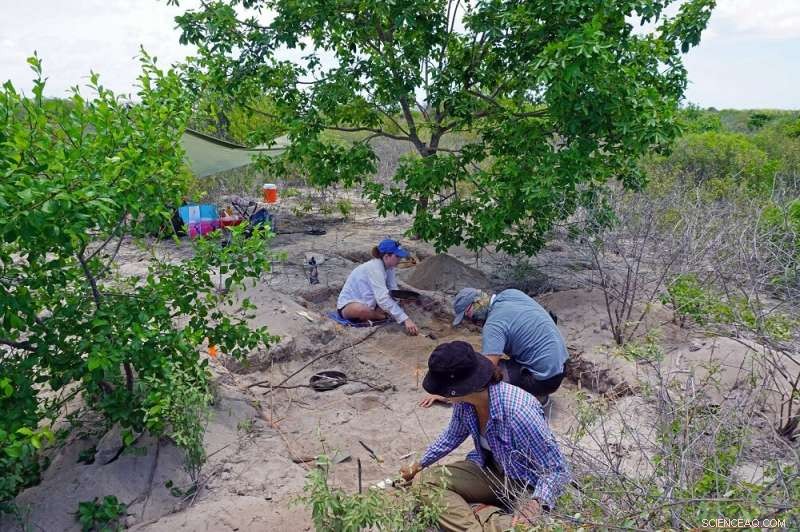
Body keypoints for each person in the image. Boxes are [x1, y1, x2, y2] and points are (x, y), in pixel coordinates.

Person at [401, 341, 570, 531]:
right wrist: (419, 464)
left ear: (460, 388)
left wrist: (537, 503)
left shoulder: (518, 412)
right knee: (424, 482)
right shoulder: (465, 403)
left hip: (521, 481)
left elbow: (557, 469)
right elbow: (451, 436)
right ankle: (479, 524)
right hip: (489, 467)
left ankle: (481, 522)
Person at [422, 288, 567, 408]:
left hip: (543, 381)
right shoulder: (511, 294)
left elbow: (484, 373)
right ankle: (536, 389)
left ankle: (533, 396)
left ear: (476, 303)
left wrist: (447, 392)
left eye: (468, 315)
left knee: (484, 376)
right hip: (561, 367)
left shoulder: (493, 326)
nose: (470, 320)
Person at [337, 238, 419, 335]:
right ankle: (380, 316)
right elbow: (382, 298)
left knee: (390, 306)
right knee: (362, 310)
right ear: (386, 256)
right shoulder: (374, 268)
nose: (400, 259)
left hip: (371, 302)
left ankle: (378, 315)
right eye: (397, 256)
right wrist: (405, 319)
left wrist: (399, 300)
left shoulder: (390, 267)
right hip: (348, 305)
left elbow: (392, 289)